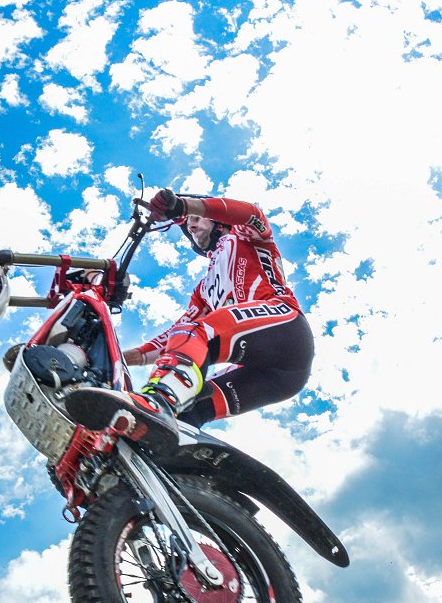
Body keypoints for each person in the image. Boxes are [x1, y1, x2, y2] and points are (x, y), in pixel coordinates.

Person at [63, 188, 311, 453]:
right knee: (190, 409)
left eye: (197, 218)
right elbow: (170, 339)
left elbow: (252, 214)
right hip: (271, 375)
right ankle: (172, 473)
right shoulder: (204, 290)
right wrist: (117, 357)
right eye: (188, 221)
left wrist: (184, 205)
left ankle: (159, 402)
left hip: (287, 331)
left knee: (195, 332)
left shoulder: (246, 237)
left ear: (219, 220)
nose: (190, 225)